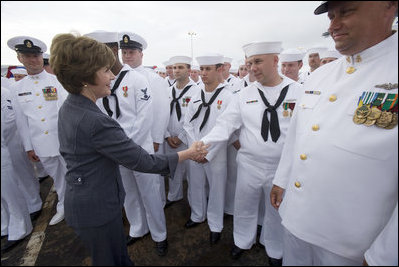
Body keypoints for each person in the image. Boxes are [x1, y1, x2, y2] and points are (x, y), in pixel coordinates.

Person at [50, 32, 208, 266]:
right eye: (105, 70)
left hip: (124, 152)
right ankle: (137, 228)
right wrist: (189, 153)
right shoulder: (92, 118)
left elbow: (146, 116)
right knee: (127, 204)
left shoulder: (72, 105)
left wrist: (128, 146)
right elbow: (142, 158)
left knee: (149, 194)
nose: (111, 75)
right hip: (104, 183)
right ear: (87, 75)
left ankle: (158, 235)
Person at [270, 1, 398, 265]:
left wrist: (384, 256)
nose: (333, 25)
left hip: (353, 243)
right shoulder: (321, 76)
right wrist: (282, 178)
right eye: (331, 16)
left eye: (347, 11)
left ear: (389, 6)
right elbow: (297, 134)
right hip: (296, 218)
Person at [199, 41, 303, 265]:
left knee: (276, 211)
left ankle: (274, 248)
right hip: (250, 164)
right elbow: (225, 125)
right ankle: (242, 241)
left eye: (257, 61)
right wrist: (203, 144)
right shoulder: (244, 95)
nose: (253, 67)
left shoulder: (298, 92)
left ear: (275, 61)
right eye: (249, 63)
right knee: (244, 206)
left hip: (282, 167)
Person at [7, 35, 68, 226]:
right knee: (57, 179)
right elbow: (21, 120)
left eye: (36, 56)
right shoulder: (17, 88)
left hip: (62, 139)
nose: (33, 60)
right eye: (28, 56)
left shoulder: (56, 81)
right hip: (40, 142)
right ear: (20, 59)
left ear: (42, 57)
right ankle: (64, 206)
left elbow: (64, 111)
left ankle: (76, 205)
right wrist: (28, 146)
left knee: (72, 174)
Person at [183, 53, 234, 245]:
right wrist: (194, 147)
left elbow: (227, 128)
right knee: (195, 184)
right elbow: (187, 123)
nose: (203, 73)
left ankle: (215, 224)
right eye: (202, 69)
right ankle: (197, 215)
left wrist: (207, 151)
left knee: (216, 188)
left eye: (208, 69)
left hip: (216, 151)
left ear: (220, 69)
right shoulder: (196, 94)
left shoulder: (228, 96)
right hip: (195, 149)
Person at [164, 55, 200, 207]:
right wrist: (166, 135)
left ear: (189, 70)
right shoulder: (167, 91)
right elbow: (162, 115)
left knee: (193, 175)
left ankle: (195, 205)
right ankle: (174, 196)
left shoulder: (197, 91)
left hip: (187, 139)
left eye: (180, 67)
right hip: (169, 138)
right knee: (173, 170)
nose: (176, 71)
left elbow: (195, 119)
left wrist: (180, 137)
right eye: (174, 67)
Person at [1, 86, 33, 253]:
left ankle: (20, 227)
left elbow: (8, 122)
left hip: (2, 147)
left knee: (9, 192)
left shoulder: (3, 92)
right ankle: (4, 225)